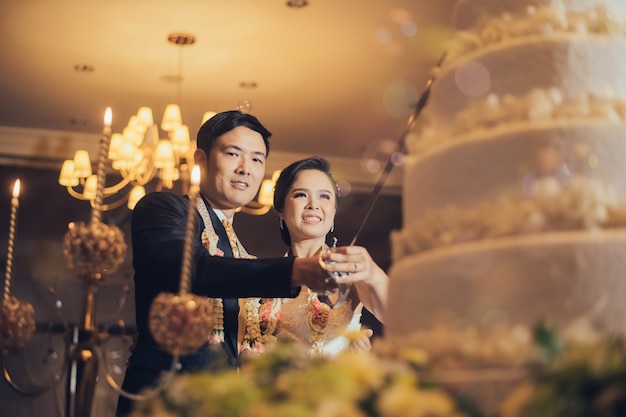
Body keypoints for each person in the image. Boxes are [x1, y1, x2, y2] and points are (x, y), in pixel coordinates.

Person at [115, 111, 364, 416]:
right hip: (164, 395)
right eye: (233, 154)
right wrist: (297, 269)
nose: (246, 169)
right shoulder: (164, 209)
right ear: (201, 159)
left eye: (257, 160)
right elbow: (193, 269)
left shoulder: (242, 253)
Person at [265, 156, 388, 357]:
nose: (313, 204)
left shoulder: (346, 270)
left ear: (333, 211)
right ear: (281, 210)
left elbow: (397, 315)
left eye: (324, 196)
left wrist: (372, 273)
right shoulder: (267, 275)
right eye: (301, 195)